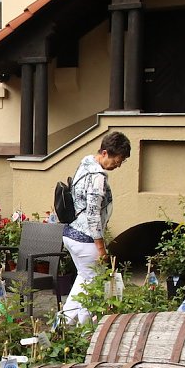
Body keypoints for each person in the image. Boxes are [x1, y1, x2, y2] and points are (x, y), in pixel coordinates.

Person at [61, 131, 131, 325]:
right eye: (118, 159)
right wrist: (102, 250)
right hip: (86, 240)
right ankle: (86, 334)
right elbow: (93, 215)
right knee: (94, 289)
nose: (118, 164)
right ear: (106, 153)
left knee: (83, 281)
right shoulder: (97, 176)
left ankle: (62, 325)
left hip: (71, 234)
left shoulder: (85, 163)